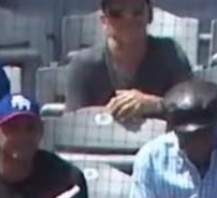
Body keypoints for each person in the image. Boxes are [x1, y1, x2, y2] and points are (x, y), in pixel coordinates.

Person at [64, 0, 194, 120]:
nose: (128, 18)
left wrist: (154, 105)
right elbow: (72, 126)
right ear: (104, 21)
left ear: (149, 15)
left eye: (137, 11)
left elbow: (192, 108)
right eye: (116, 13)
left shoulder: (171, 53)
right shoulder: (84, 65)